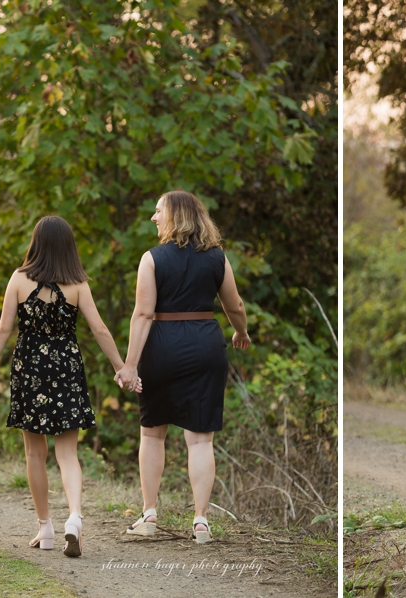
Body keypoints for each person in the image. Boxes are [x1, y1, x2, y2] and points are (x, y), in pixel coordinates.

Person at [0, 216, 126, 558]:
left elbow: (2, 330)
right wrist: (120, 367)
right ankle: (74, 517)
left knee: (35, 452)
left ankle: (45, 527)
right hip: (66, 367)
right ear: (68, 248)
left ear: (36, 243)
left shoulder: (18, 280)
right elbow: (100, 330)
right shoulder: (78, 285)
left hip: (29, 366)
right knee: (67, 453)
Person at [115, 190, 251, 545]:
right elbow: (234, 304)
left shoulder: (152, 259)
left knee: (152, 432)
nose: (154, 218)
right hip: (206, 342)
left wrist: (130, 365)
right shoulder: (217, 258)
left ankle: (148, 514)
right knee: (200, 438)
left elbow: (143, 314)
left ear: (174, 215)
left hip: (162, 344)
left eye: (158, 211)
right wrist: (241, 332)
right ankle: (201, 521)